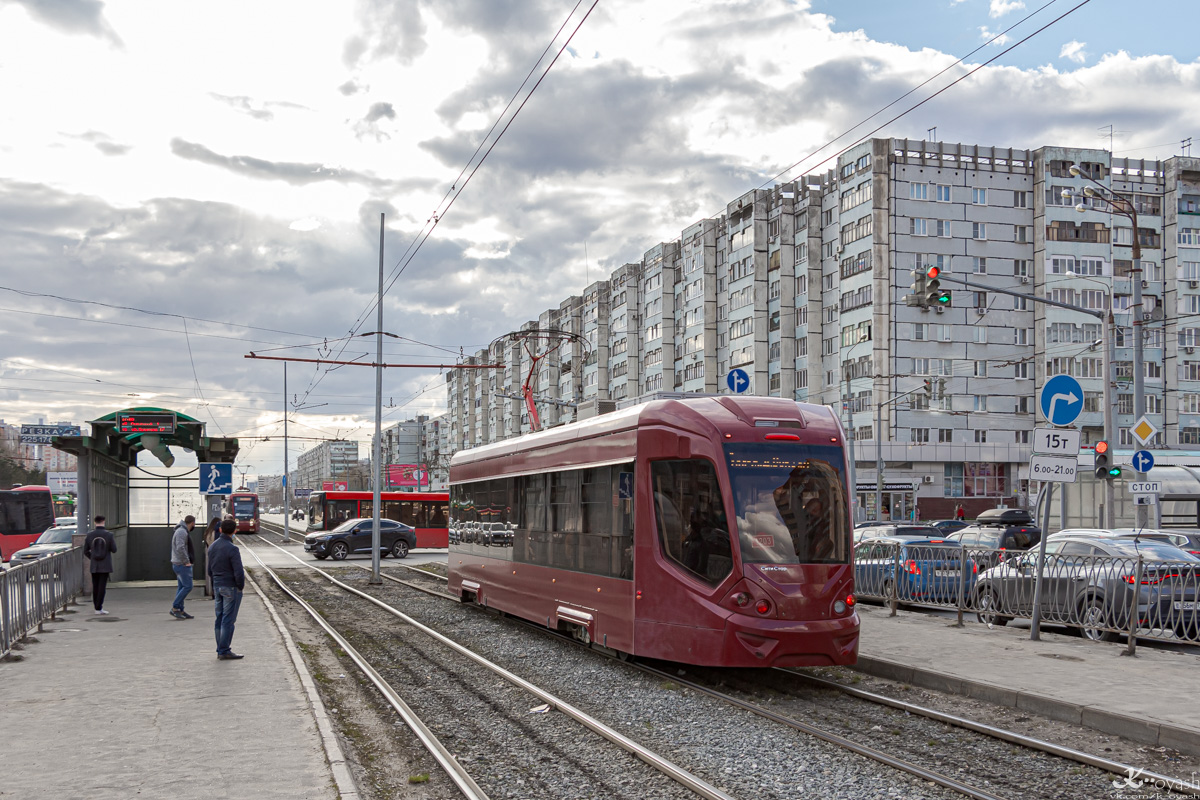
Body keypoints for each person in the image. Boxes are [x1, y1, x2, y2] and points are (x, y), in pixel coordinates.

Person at [208, 519, 245, 660]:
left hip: (217, 585)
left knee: (219, 618)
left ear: (221, 530)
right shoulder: (232, 549)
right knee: (228, 620)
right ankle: (224, 650)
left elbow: (209, 570)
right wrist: (240, 586)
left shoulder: (212, 547)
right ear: (234, 531)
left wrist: (215, 583)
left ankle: (220, 649)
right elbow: (238, 572)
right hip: (230, 587)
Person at [84, 515, 117, 615]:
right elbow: (114, 549)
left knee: (95, 586)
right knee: (102, 586)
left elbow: (85, 551)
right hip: (105, 564)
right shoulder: (109, 535)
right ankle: (99, 607)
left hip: (94, 565)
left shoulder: (89, 535)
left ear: (95, 522)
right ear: (104, 522)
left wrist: (92, 557)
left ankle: (96, 607)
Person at [170, 515, 196, 619]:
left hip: (178, 563)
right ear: (193, 523)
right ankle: (175, 607)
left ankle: (180, 610)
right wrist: (186, 561)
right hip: (181, 564)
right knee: (188, 586)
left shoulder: (181, 530)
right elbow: (180, 547)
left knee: (181, 587)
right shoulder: (181, 532)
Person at [202, 517, 221, 598]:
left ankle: (213, 592)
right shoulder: (217, 532)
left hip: (210, 554)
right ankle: (217, 593)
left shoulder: (208, 532)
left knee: (212, 574)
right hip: (217, 555)